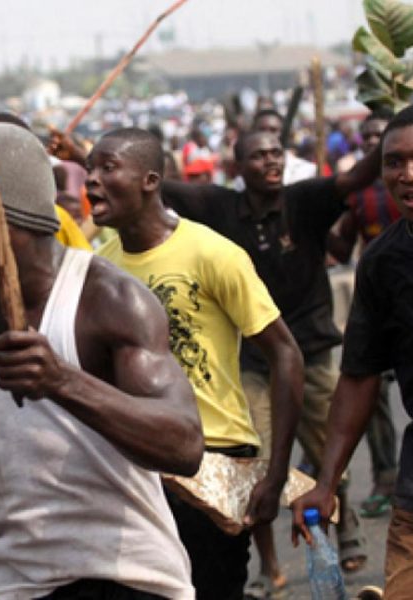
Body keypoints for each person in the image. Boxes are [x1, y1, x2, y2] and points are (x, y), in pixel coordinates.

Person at [0, 121, 198, 599]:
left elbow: (184, 445)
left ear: (30, 221)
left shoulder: (108, 300)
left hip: (132, 577)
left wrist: (63, 381)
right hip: (18, 582)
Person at [160, 129, 383, 583]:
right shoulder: (220, 207)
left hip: (313, 351)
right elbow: (157, 184)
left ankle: (348, 531)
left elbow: (359, 175)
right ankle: (270, 566)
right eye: (258, 156)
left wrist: (394, 133)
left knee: (329, 454)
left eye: (275, 153)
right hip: (256, 359)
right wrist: (84, 156)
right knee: (256, 465)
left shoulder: (308, 200)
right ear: (238, 167)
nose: (270, 162)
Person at [90, 128, 303, 599]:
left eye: (106, 168)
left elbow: (285, 353)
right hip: (137, 470)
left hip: (213, 462)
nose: (90, 181)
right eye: (88, 169)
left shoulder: (212, 253)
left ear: (149, 180)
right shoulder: (99, 271)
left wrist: (276, 473)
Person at [292, 104, 413, 598]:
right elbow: (359, 376)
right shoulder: (383, 262)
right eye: (394, 161)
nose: (406, 174)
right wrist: (326, 482)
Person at [327, 108, 402, 520]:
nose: (373, 145)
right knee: (373, 397)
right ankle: (385, 476)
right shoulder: (359, 198)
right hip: (381, 309)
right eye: (370, 142)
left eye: (381, 137)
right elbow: (344, 250)